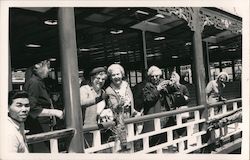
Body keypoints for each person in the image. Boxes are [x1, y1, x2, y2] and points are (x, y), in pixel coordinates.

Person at [23, 59, 63, 152]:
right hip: (37, 127)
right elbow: (32, 108)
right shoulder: (34, 83)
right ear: (37, 65)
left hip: (42, 126)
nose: (49, 70)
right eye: (48, 67)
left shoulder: (38, 82)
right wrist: (55, 112)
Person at [105, 64, 140, 152]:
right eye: (113, 75)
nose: (116, 77)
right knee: (119, 145)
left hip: (129, 116)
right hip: (118, 120)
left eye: (118, 74)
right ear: (110, 77)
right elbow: (114, 107)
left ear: (122, 74)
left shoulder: (126, 86)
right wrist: (119, 105)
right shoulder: (109, 90)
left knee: (131, 141)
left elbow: (131, 100)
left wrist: (134, 111)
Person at [79, 67, 109, 147]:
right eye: (98, 78)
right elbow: (81, 102)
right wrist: (97, 99)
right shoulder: (84, 89)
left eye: (103, 79)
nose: (100, 81)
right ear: (92, 78)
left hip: (101, 129)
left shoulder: (103, 91)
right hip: (87, 129)